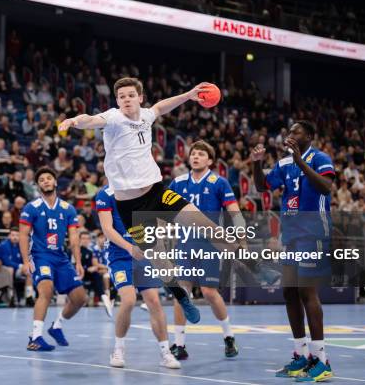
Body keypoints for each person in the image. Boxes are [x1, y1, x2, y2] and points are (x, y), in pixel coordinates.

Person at [59, 77, 236, 323]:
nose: (126, 99)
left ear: (139, 97)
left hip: (157, 192)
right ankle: (181, 297)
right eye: (122, 96)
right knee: (158, 258)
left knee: (204, 223)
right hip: (130, 205)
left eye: (131, 95)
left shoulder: (146, 115)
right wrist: (75, 121)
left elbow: (160, 107)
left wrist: (188, 95)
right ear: (117, 101)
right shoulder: (113, 118)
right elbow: (91, 119)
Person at [252, 121, 335, 382]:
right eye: (289, 132)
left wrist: (300, 161)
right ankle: (300, 355)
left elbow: (325, 186)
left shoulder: (320, 158)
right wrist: (257, 162)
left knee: (306, 291)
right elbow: (262, 186)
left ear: (309, 136)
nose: (291, 135)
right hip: (291, 235)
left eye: (296, 132)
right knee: (289, 291)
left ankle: (321, 360)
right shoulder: (284, 163)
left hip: (313, 233)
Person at [168, 140, 241, 359]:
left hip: (209, 245)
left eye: (201, 154)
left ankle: (229, 337)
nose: (196, 157)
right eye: (193, 154)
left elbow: (233, 209)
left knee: (209, 292)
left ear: (210, 160)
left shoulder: (219, 182)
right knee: (182, 292)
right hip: (184, 244)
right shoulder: (178, 182)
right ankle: (179, 345)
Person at [96, 185, 180, 369]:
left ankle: (166, 352)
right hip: (120, 255)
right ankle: (118, 349)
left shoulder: (143, 189)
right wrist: (129, 247)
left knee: (154, 302)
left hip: (144, 253)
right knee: (128, 300)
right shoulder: (105, 193)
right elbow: (107, 229)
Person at [19, 167, 88, 351]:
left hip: (60, 257)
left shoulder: (68, 208)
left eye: (49, 178)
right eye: (41, 180)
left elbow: (74, 237)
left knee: (80, 298)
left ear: (55, 182)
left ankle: (57, 326)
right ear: (38, 185)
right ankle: (35, 337)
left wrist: (78, 261)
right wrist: (26, 261)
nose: (46, 181)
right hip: (40, 256)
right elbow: (23, 235)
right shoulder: (31, 208)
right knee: (46, 291)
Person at [0, 227, 35, 306]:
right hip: (5, 270)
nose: (15, 237)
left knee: (29, 270)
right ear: (9, 236)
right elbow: (6, 262)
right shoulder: (4, 245)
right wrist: (20, 266)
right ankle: (11, 296)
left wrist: (25, 266)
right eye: (13, 235)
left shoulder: (23, 245)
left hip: (19, 270)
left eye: (17, 235)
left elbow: (27, 259)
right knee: (10, 269)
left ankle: (29, 297)